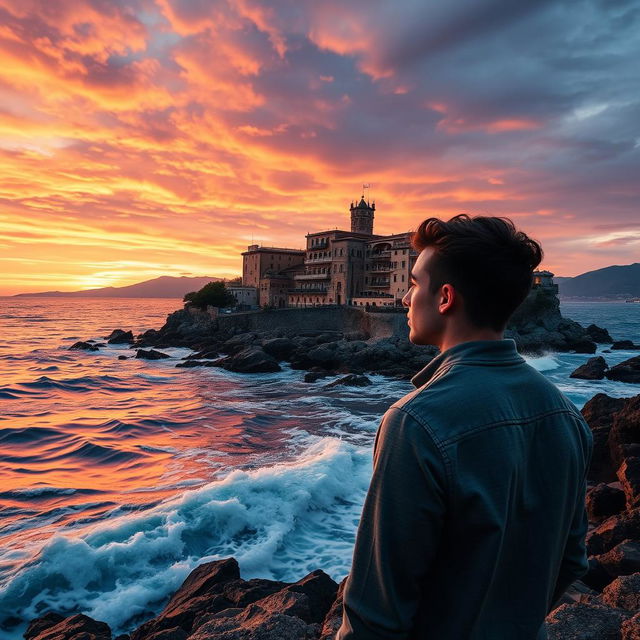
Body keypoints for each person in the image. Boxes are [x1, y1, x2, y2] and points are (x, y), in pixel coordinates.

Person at [337, 215, 593, 639]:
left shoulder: (416, 421)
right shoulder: (567, 415)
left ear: (445, 298)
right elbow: (572, 562)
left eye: (415, 283)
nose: (404, 297)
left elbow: (374, 615)